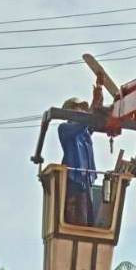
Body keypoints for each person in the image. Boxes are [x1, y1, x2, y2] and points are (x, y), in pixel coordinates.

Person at [56, 97, 99, 226]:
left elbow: (91, 120)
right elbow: (84, 122)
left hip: (86, 183)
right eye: (78, 108)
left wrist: (98, 95)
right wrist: (94, 107)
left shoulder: (85, 132)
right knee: (77, 218)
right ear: (70, 110)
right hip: (73, 181)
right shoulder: (64, 128)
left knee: (88, 222)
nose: (82, 111)